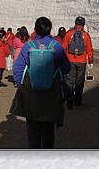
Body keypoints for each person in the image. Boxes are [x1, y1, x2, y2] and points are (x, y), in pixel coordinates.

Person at [10, 17, 71, 148]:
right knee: (48, 130)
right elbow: (66, 68)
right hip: (51, 94)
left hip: (31, 93)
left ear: (35, 29)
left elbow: (18, 68)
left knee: (33, 130)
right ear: (50, 29)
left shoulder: (28, 46)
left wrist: (21, 85)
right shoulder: (56, 46)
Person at [63, 16, 94, 107]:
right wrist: (90, 61)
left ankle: (69, 100)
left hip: (70, 60)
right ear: (83, 25)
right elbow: (89, 49)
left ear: (75, 23)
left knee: (69, 80)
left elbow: (63, 47)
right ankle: (77, 101)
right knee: (79, 81)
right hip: (82, 61)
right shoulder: (86, 35)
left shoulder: (69, 33)